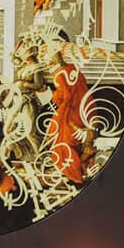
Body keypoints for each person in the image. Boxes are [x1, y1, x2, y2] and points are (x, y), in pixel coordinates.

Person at [40, 36, 93, 184]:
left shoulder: (60, 74)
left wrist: (49, 96)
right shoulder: (72, 68)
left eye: (50, 56)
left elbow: (61, 97)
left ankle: (73, 173)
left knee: (60, 138)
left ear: (55, 56)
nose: (48, 60)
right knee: (59, 135)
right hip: (84, 107)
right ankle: (74, 171)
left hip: (71, 111)